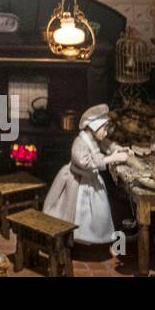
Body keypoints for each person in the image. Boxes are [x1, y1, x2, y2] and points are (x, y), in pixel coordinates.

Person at [42, 103, 130, 244]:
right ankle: (71, 237)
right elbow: (86, 163)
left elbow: (107, 144)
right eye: (104, 129)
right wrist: (113, 158)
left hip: (90, 180)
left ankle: (89, 236)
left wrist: (119, 149)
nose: (106, 133)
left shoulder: (95, 138)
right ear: (94, 127)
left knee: (96, 214)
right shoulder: (80, 142)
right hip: (76, 181)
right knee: (74, 212)